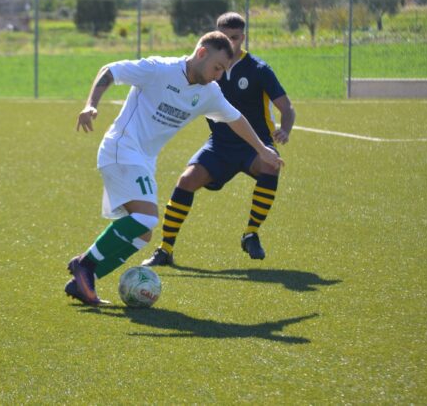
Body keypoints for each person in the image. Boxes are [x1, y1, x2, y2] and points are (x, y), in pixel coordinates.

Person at [65, 31, 284, 306]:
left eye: (224, 71)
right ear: (202, 53)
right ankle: (84, 265)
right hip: (121, 150)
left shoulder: (209, 92)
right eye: (217, 67)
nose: (218, 76)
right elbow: (110, 70)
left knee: (142, 234)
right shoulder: (159, 69)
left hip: (143, 160)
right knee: (146, 219)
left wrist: (262, 150)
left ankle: (84, 281)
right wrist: (91, 105)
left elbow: (236, 119)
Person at [141, 12, 295, 267]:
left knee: (271, 164)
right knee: (186, 180)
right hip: (220, 145)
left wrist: (286, 130)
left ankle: (251, 233)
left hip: (253, 144)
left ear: (243, 38)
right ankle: (165, 250)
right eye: (224, 37)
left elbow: (286, 108)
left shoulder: (258, 70)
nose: (230, 43)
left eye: (235, 38)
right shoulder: (206, 68)